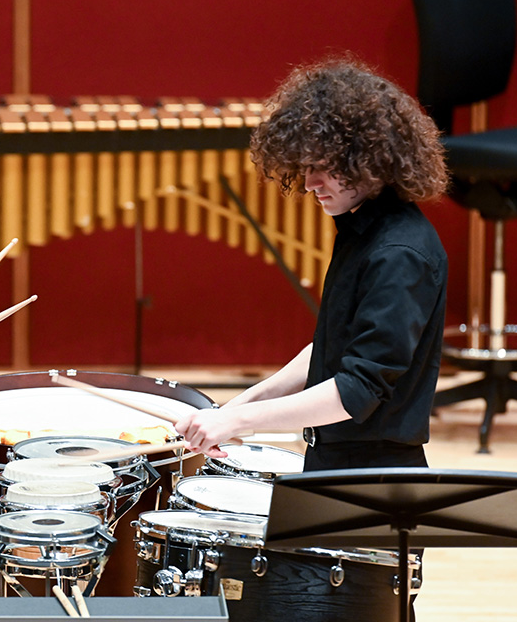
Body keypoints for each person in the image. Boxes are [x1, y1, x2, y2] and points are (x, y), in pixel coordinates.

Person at [175, 57, 449, 473]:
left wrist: (236, 420)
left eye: (323, 167)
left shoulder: (399, 254)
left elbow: (355, 389)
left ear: (369, 157)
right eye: (304, 167)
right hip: (334, 462)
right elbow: (332, 351)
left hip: (371, 483)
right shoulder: (362, 232)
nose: (308, 184)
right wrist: (234, 407)